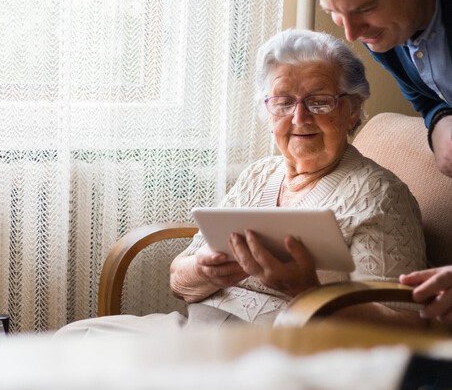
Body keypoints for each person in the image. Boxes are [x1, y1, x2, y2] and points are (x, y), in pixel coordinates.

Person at [56, 29, 425, 337]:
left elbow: (400, 330)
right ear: (267, 111)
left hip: (281, 349)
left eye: (320, 101)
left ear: (353, 110)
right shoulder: (259, 175)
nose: (300, 117)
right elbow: (178, 281)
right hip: (195, 331)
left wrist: (305, 290)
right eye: (283, 102)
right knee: (72, 341)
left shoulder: (380, 197)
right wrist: (205, 270)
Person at [299, 0, 452, 321]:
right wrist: (438, 121)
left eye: (364, 9)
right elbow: (424, 94)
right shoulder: (384, 21)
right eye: (335, 14)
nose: (350, 34)